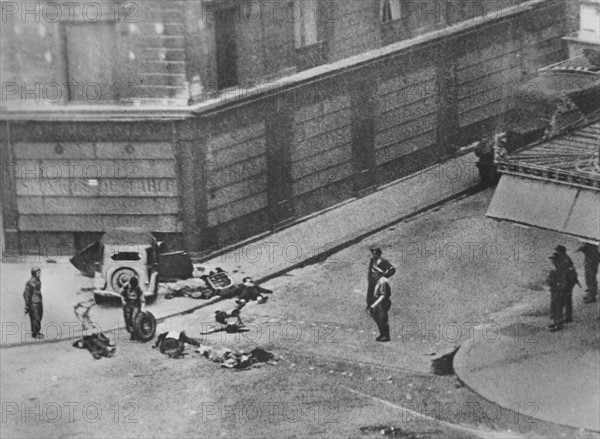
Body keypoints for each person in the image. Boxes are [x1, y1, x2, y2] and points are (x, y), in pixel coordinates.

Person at [554, 245, 580, 323]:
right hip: (567, 282)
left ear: (561, 251)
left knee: (566, 300)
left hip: (567, 283)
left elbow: (567, 273)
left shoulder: (565, 260)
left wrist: (567, 283)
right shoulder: (564, 258)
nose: (557, 252)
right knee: (566, 300)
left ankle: (568, 317)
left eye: (558, 251)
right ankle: (567, 316)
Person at [368, 276, 392, 341]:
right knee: (379, 319)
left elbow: (383, 295)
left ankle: (385, 335)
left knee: (382, 319)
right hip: (379, 303)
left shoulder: (383, 282)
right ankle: (382, 334)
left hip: (382, 303)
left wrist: (374, 304)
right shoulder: (378, 281)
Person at [547, 254, 566, 332]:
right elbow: (549, 279)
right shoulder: (554, 270)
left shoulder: (561, 270)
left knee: (558, 307)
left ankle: (559, 324)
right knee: (554, 306)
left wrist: (557, 285)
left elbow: (564, 282)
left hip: (559, 291)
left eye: (554, 260)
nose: (552, 261)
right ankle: (556, 322)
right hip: (554, 291)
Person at [23, 267, 43, 339]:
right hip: (34, 303)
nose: (39, 274)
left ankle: (35, 332)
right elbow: (26, 294)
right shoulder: (31, 282)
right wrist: (28, 304)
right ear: (34, 273)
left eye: (39, 272)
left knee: (39, 317)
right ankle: (36, 333)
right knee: (36, 318)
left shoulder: (37, 280)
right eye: (38, 273)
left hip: (38, 302)